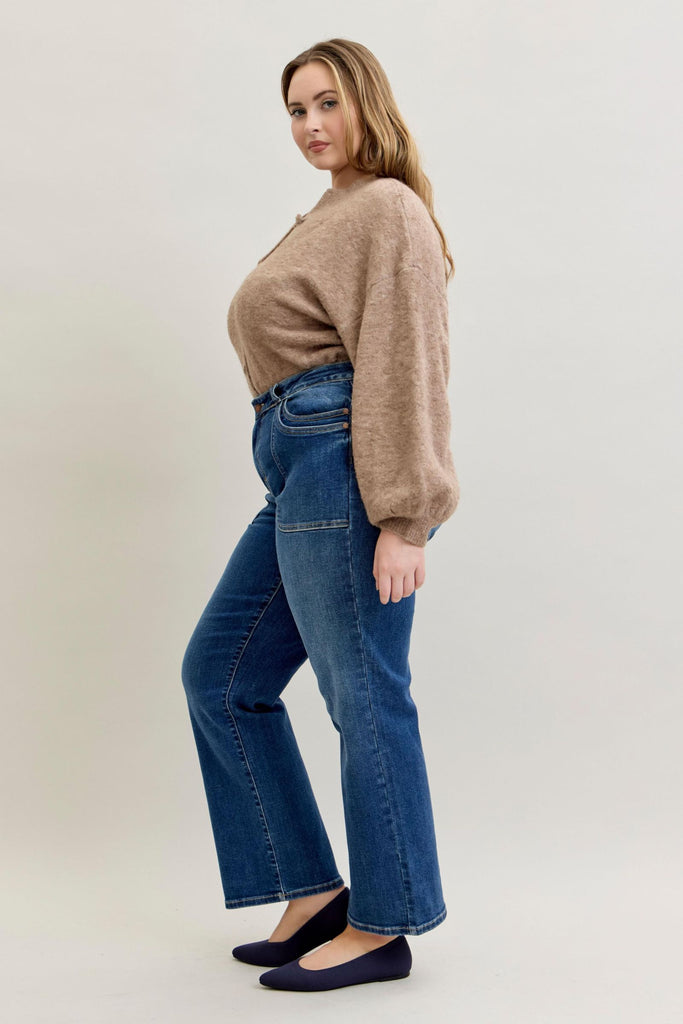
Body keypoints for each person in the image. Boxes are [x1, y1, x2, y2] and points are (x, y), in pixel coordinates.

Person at [180, 37, 461, 993]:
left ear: (366, 102)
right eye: (296, 110)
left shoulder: (385, 209)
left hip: (341, 469)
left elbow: (406, 362)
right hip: (294, 470)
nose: (309, 125)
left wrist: (405, 517)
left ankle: (384, 923)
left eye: (327, 102)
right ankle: (313, 893)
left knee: (363, 693)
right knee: (221, 677)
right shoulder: (331, 212)